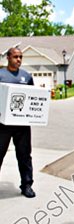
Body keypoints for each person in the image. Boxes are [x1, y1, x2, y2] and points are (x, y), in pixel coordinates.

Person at [0, 47, 36, 198]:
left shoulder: (26, 76)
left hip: (22, 125)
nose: (19, 59)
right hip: (2, 125)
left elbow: (33, 97)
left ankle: (26, 185)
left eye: (20, 57)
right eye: (15, 57)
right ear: (8, 57)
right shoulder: (1, 75)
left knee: (24, 155)